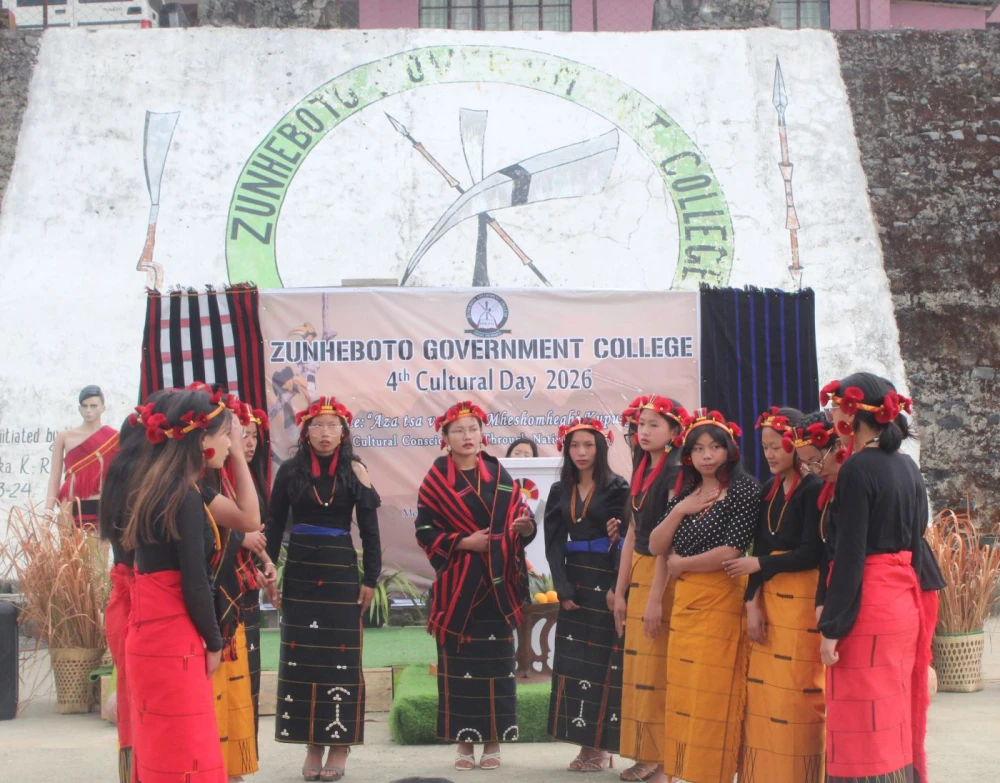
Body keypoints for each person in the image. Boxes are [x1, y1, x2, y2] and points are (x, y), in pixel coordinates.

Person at [122, 389, 260, 783]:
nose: (229, 443)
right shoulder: (184, 495)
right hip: (172, 636)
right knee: (186, 752)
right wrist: (214, 643)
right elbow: (194, 582)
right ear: (202, 441)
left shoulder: (159, 484)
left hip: (148, 633)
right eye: (225, 436)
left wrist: (236, 454)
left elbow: (248, 520)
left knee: (161, 751)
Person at [818, 373, 935, 783]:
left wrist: (833, 626)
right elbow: (918, 538)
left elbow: (850, 554)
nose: (832, 415)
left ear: (855, 413)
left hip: (868, 606)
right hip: (902, 603)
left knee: (859, 719)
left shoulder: (856, 469)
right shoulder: (907, 466)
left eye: (835, 406)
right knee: (892, 712)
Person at [414, 401, 536, 772]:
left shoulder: (498, 472)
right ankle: (464, 741)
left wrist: (525, 528)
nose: (468, 437)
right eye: (459, 431)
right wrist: (465, 542)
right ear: (445, 437)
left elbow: (521, 515)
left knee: (497, 664)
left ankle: (493, 740)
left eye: (473, 430)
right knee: (460, 665)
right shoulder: (436, 478)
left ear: (482, 434)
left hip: (497, 586)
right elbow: (424, 530)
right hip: (458, 591)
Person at [265, 396, 381, 782]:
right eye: (318, 425)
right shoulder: (289, 471)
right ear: (306, 431)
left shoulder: (354, 470)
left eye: (333, 426)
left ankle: (340, 744)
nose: (325, 433)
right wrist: (268, 571)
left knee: (340, 658)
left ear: (343, 432)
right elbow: (274, 523)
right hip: (300, 573)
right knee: (302, 657)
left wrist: (370, 579)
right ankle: (312, 744)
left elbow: (370, 529)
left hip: (339, 572)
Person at [648, 409, 759, 783]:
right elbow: (656, 546)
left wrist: (683, 565)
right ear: (688, 455)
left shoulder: (744, 489)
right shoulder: (686, 493)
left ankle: (714, 773)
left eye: (714, 447)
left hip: (721, 599)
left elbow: (732, 550)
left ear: (729, 450)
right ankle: (684, 770)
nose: (707, 455)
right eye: (698, 449)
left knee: (713, 691)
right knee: (684, 689)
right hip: (685, 604)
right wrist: (680, 509)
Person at [722, 407, 825, 782]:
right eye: (764, 446)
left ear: (796, 443)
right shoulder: (768, 489)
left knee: (797, 694)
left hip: (801, 600)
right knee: (763, 695)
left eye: (777, 446)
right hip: (769, 596)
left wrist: (760, 564)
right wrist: (752, 603)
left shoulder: (814, 488)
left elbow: (812, 552)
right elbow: (758, 551)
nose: (769, 454)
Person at [544, 418, 629, 771]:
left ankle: (602, 748)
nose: (581, 452)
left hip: (606, 581)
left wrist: (617, 586)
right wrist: (561, 584)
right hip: (575, 581)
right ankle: (586, 744)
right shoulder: (559, 490)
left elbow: (626, 540)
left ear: (600, 447)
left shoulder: (617, 487)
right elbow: (553, 542)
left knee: (604, 664)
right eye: (575, 445)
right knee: (575, 662)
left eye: (588, 445)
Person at [612, 395, 687, 783]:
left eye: (654, 424)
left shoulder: (676, 473)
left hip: (663, 577)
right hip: (640, 573)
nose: (643, 431)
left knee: (658, 670)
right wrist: (619, 592)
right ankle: (647, 753)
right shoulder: (642, 467)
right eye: (640, 424)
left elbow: (668, 543)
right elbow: (631, 532)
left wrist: (656, 598)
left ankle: (663, 763)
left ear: (674, 432)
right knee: (639, 668)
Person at [97, 390, 167, 783]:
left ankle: (135, 773)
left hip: (123, 604)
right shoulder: (154, 490)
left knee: (132, 699)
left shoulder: (117, 481)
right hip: (150, 605)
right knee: (156, 703)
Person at [239, 404, 279, 751]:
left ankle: (244, 756)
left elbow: (256, 534)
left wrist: (267, 562)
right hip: (225, 586)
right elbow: (221, 532)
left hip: (248, 584)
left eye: (254, 436)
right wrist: (247, 557)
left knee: (250, 667)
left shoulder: (252, 479)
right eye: (243, 435)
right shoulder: (214, 480)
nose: (250, 443)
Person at [46, 385, 120, 528]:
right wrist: (48, 512)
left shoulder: (114, 438)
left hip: (101, 503)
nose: (88, 410)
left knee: (98, 544)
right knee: (69, 543)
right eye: (84, 406)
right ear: (80, 409)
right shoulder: (64, 437)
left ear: (103, 408)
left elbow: (119, 478)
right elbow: (54, 478)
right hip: (69, 503)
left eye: (93, 406)